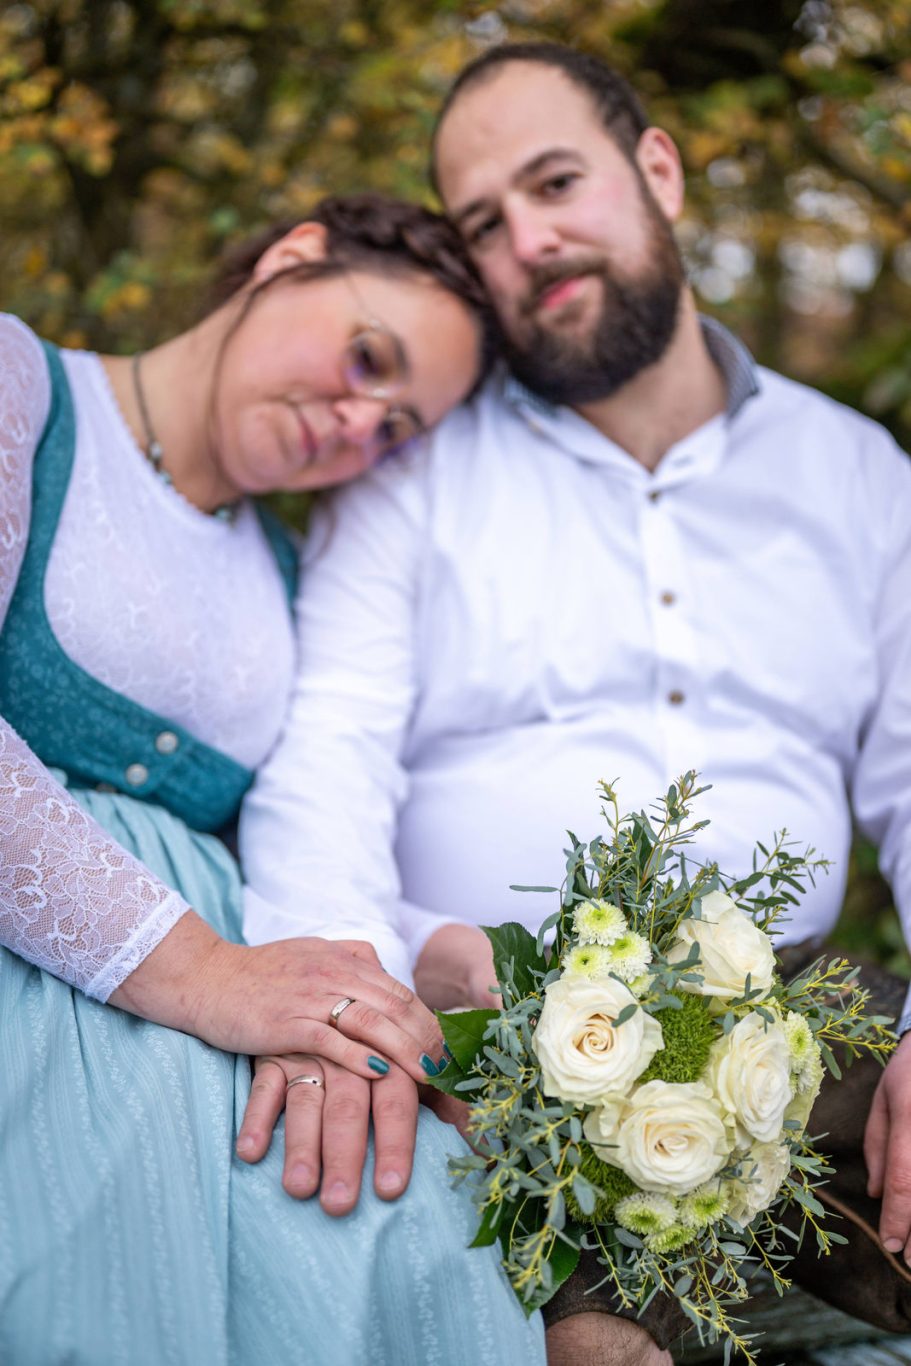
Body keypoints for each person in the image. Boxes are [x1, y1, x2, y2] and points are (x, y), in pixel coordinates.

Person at [240, 44, 911, 1366]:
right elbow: (328, 753)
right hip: (482, 1037)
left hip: (799, 1035)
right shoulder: (406, 463)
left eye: (555, 183)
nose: (528, 242)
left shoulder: (856, 474)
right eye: (481, 224)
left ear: (654, 170)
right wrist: (343, 997)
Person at [0, 192, 547, 1366]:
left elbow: (273, 853)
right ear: (291, 257)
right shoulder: (22, 388)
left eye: (393, 427)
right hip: (64, 996)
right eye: (365, 358)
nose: (356, 425)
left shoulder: (291, 575)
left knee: (411, 1238)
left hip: (203, 1028)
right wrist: (204, 972)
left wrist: (429, 949)